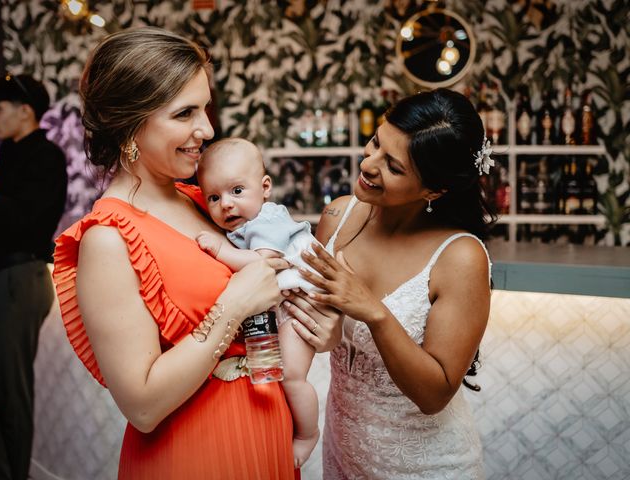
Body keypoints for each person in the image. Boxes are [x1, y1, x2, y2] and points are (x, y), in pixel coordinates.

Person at [51, 27, 300, 479]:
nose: (206, 129)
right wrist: (235, 304)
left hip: (266, 428)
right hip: (195, 451)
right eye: (184, 113)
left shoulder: (201, 200)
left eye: (205, 108)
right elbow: (142, 405)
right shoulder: (108, 237)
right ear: (130, 124)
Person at [283, 88, 495, 479]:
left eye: (394, 167)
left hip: (424, 464)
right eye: (376, 142)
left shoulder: (460, 257)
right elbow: (305, 317)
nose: (369, 163)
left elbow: (435, 394)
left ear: (436, 189)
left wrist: (374, 312)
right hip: (344, 450)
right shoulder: (338, 216)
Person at [195, 138, 320, 467]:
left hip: (301, 305)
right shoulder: (243, 225)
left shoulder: (268, 219)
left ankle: (308, 435)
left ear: (265, 187)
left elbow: (262, 264)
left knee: (292, 375)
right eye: (214, 197)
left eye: (237, 191)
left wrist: (221, 252)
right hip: (283, 304)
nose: (226, 204)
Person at [0, 73, 68, 480]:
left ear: (25, 112)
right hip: (3, 279)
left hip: (20, 279)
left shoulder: (47, 156)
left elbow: (27, 222)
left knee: (10, 392)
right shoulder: (9, 152)